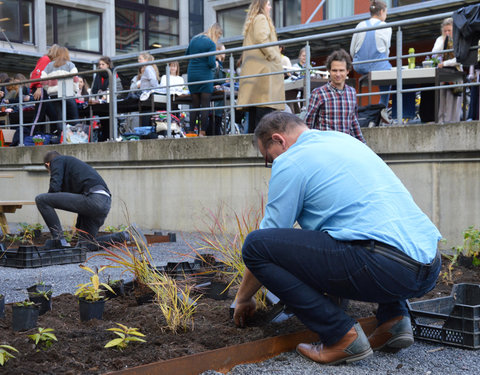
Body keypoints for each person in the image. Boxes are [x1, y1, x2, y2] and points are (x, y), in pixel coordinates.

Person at [233, 111, 442, 365]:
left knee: (256, 246)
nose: (272, 163)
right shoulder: (344, 141)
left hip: (383, 266)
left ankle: (341, 335)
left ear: (278, 140)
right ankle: (394, 319)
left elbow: (267, 238)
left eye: (268, 158)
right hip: (429, 265)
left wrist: (243, 297)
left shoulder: (291, 160)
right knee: (358, 228)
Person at [35, 151, 131, 251]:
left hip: (94, 199)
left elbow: (54, 188)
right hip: (104, 203)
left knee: (41, 199)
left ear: (48, 164)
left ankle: (58, 240)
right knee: (83, 246)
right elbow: (79, 202)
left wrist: (49, 199)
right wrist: (78, 229)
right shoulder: (73, 168)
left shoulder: (57, 160)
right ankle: (125, 235)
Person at [237, 0, 285, 134]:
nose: (270, 7)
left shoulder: (254, 20)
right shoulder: (261, 18)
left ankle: (255, 150)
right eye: (268, 4)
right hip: (264, 73)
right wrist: (273, 55)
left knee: (255, 116)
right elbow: (261, 38)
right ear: (263, 6)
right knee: (265, 117)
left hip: (257, 74)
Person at [304, 49, 366, 143]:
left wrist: (363, 145)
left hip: (345, 144)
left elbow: (354, 123)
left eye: (341, 70)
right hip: (325, 145)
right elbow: (308, 124)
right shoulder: (318, 93)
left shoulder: (352, 93)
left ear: (347, 71)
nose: (338, 74)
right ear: (329, 70)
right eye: (334, 70)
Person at [350, 0, 392, 107]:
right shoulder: (386, 26)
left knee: (384, 69)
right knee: (389, 73)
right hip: (378, 66)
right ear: (382, 11)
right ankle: (382, 106)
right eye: (386, 13)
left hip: (359, 66)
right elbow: (386, 51)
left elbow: (352, 50)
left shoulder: (360, 25)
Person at [186, 22, 223, 136]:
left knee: (194, 105)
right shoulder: (211, 43)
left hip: (192, 75)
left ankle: (191, 132)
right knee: (205, 105)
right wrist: (216, 64)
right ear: (216, 33)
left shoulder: (194, 39)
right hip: (204, 76)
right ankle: (202, 132)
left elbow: (187, 55)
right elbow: (211, 63)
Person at [41, 46, 80, 134]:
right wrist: (74, 91)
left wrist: (49, 89)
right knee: (74, 116)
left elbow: (43, 80)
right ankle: (74, 136)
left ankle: (60, 136)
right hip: (67, 91)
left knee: (60, 117)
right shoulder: (70, 64)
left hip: (54, 94)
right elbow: (75, 79)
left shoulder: (49, 65)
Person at [432, 17, 463, 124]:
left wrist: (444, 63)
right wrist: (444, 41)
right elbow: (434, 54)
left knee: (453, 101)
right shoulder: (440, 39)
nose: (447, 33)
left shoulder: (459, 39)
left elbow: (459, 59)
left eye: (449, 30)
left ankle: (453, 123)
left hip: (455, 71)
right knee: (442, 100)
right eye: (445, 31)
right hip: (443, 72)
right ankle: (441, 122)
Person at [29, 44, 60, 129]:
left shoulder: (49, 61)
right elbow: (38, 73)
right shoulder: (46, 59)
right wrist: (39, 87)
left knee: (52, 115)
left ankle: (49, 136)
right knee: (39, 116)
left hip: (43, 90)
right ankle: (32, 137)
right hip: (41, 89)